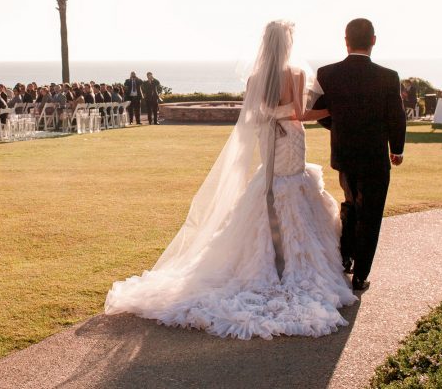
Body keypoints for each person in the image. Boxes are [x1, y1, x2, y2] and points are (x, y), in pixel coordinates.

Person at [105, 20, 356, 340]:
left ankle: (266, 258)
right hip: (291, 138)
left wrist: (271, 116)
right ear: (288, 44)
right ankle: (292, 260)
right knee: (293, 186)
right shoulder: (296, 74)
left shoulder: (255, 78)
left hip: (269, 138)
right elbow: (299, 113)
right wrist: (330, 111)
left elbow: (253, 116)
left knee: (270, 185)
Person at [312, 18, 406, 291]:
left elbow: (319, 112)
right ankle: (360, 275)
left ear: (346, 41)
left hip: (344, 155)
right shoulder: (388, 76)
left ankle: (345, 257)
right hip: (375, 156)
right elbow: (396, 117)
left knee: (351, 204)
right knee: (371, 214)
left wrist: (340, 129)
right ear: (373, 40)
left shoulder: (327, 73)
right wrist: (396, 149)